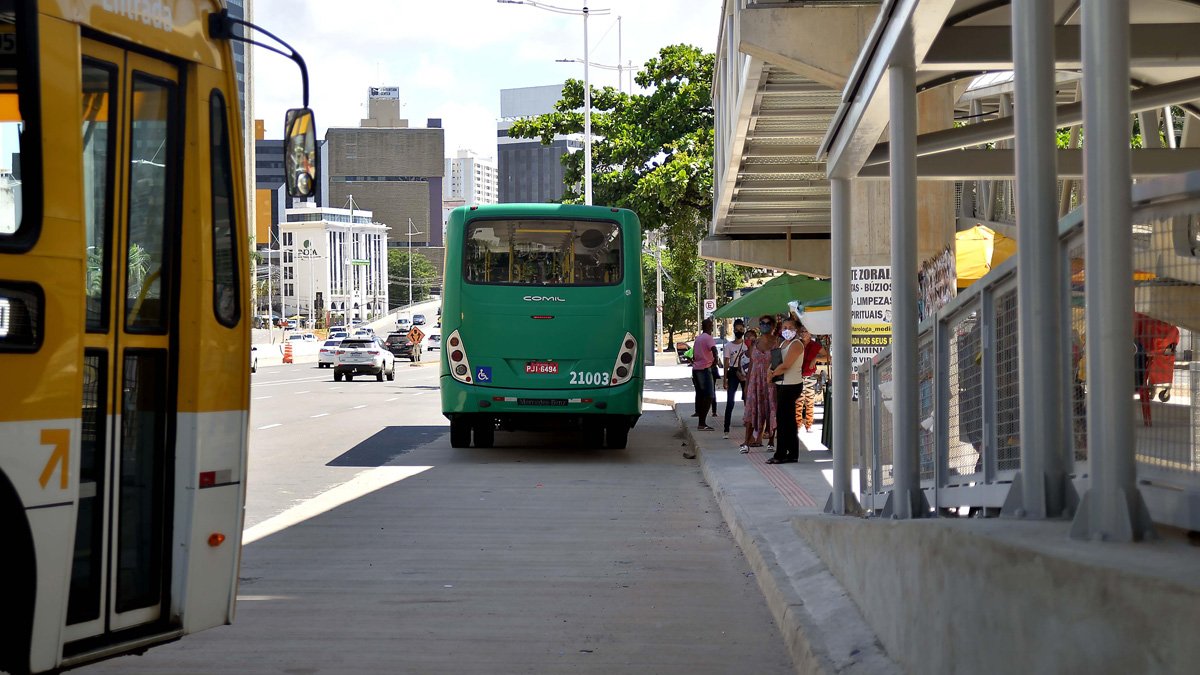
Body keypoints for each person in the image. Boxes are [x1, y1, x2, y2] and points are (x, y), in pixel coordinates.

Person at [767, 318, 807, 464]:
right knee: (787, 420)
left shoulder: (797, 345)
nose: (786, 330)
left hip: (791, 385)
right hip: (782, 384)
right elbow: (776, 362)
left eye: (790, 327)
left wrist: (772, 374)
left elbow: (786, 365)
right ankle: (791, 453)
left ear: (795, 330)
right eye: (784, 327)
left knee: (784, 421)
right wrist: (769, 372)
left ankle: (781, 454)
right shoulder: (784, 343)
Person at [740, 317, 779, 452]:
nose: (764, 326)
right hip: (755, 381)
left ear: (773, 326)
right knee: (752, 409)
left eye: (768, 324)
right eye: (762, 323)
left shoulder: (777, 343)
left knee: (770, 409)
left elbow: (778, 363)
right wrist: (747, 384)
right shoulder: (755, 343)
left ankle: (771, 441)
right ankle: (746, 442)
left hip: (769, 381)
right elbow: (751, 363)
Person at [794, 325, 829, 432]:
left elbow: (827, 357)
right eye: (802, 331)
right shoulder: (796, 344)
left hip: (810, 376)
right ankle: (798, 424)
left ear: (810, 333)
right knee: (798, 402)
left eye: (806, 331)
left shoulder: (815, 345)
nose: (804, 333)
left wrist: (816, 358)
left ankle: (809, 425)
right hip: (797, 376)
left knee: (809, 401)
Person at [689, 317, 718, 433]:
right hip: (705, 369)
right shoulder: (708, 338)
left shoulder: (698, 339)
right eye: (711, 326)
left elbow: (695, 356)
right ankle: (702, 423)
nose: (712, 328)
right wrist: (715, 360)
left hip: (696, 369)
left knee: (701, 395)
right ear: (708, 327)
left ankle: (701, 421)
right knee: (709, 395)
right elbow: (714, 350)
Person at [721, 323, 748, 439]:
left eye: (741, 329)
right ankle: (726, 428)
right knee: (730, 401)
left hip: (744, 372)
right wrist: (725, 379)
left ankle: (749, 425)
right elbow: (726, 363)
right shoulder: (728, 346)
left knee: (747, 400)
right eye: (737, 330)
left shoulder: (746, 345)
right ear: (733, 330)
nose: (739, 331)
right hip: (733, 372)